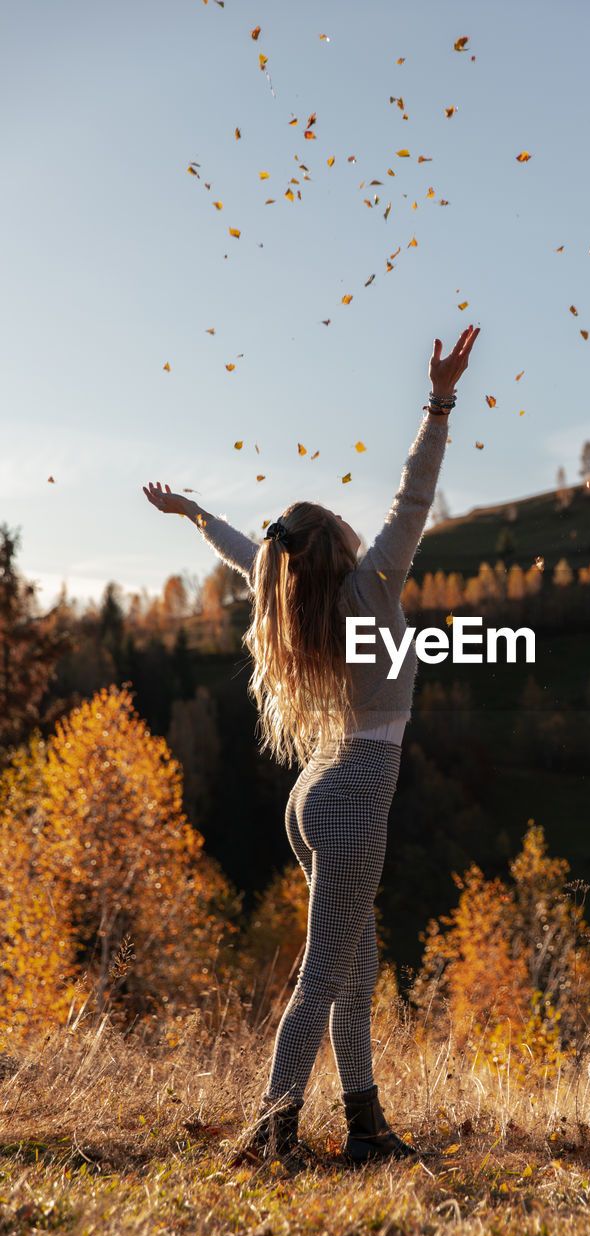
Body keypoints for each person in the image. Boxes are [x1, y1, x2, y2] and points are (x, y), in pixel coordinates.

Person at [143, 325, 479, 1167]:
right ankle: (270, 1133)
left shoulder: (296, 602)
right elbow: (413, 496)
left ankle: (363, 1127)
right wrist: (438, 402)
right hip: (355, 796)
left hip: (314, 798)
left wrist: (193, 514)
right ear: (339, 540)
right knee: (323, 977)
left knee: (354, 971)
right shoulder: (372, 585)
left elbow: (241, 558)